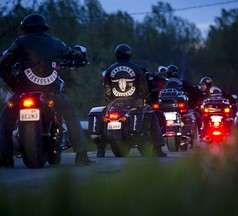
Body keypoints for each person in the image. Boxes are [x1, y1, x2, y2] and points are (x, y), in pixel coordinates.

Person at [0, 13, 95, 167]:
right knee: (70, 112)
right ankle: (82, 156)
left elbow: (3, 65)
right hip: (51, 93)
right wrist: (81, 57)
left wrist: (14, 84)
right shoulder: (56, 42)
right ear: (44, 27)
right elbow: (74, 54)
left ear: (25, 29)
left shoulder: (20, 42)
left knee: (6, 116)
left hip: (24, 92)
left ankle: (5, 156)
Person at [102, 43, 167, 157]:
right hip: (134, 102)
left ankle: (100, 149)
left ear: (117, 54)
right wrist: (147, 99)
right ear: (129, 55)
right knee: (152, 116)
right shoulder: (136, 69)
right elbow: (143, 86)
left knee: (105, 115)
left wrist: (109, 99)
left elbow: (107, 86)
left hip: (115, 102)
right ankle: (158, 148)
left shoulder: (110, 69)